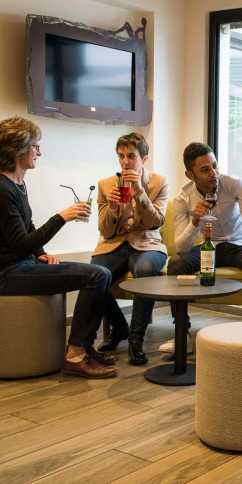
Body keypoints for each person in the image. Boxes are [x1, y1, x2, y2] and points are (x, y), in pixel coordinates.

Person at [0, 117, 116, 379]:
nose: (39, 153)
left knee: (102, 273)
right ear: (17, 149)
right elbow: (20, 246)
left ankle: (84, 347)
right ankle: (75, 356)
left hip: (18, 266)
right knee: (97, 275)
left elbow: (27, 227)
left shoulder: (17, 184)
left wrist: (40, 252)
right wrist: (62, 217)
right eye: (35, 146)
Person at [165, 142, 242, 352]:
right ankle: (182, 334)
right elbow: (181, 247)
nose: (214, 173)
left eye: (215, 165)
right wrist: (195, 221)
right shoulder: (183, 198)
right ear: (190, 175)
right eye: (205, 170)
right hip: (209, 246)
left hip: (239, 244)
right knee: (176, 263)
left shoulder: (234, 184)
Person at [90, 133, 169, 365]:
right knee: (93, 276)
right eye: (121, 156)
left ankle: (136, 340)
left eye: (131, 156)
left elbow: (155, 222)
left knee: (145, 270)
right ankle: (119, 327)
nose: (125, 162)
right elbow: (105, 230)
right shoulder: (106, 185)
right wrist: (112, 207)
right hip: (114, 244)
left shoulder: (159, 182)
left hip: (147, 243)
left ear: (144, 158)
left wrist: (139, 190)